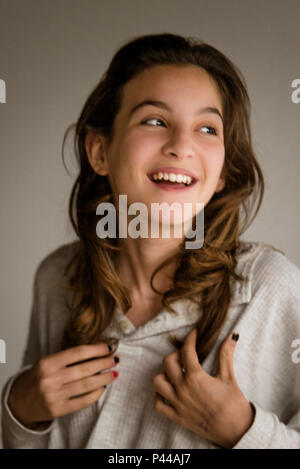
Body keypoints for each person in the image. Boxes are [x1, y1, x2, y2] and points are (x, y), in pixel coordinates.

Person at [1, 33, 300, 449]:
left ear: (223, 172)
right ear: (100, 151)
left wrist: (244, 431)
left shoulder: (274, 289)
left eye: (207, 129)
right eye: (155, 121)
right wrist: (20, 409)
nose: (182, 146)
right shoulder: (57, 279)